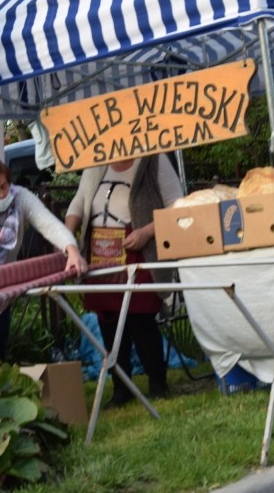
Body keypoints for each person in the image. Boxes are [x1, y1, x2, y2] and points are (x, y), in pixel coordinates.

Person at [65, 154, 183, 406]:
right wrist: (67, 236)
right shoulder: (96, 162)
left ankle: (157, 383)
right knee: (108, 319)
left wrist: (145, 232)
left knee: (140, 316)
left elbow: (176, 206)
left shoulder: (154, 160)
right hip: (100, 250)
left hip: (137, 248)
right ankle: (121, 386)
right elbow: (79, 202)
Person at [0, 154, 87, 359]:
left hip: (5, 288)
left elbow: (47, 223)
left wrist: (72, 249)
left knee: (1, 346)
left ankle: (0, 388)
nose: (1, 194)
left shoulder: (20, 197)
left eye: (4, 186)